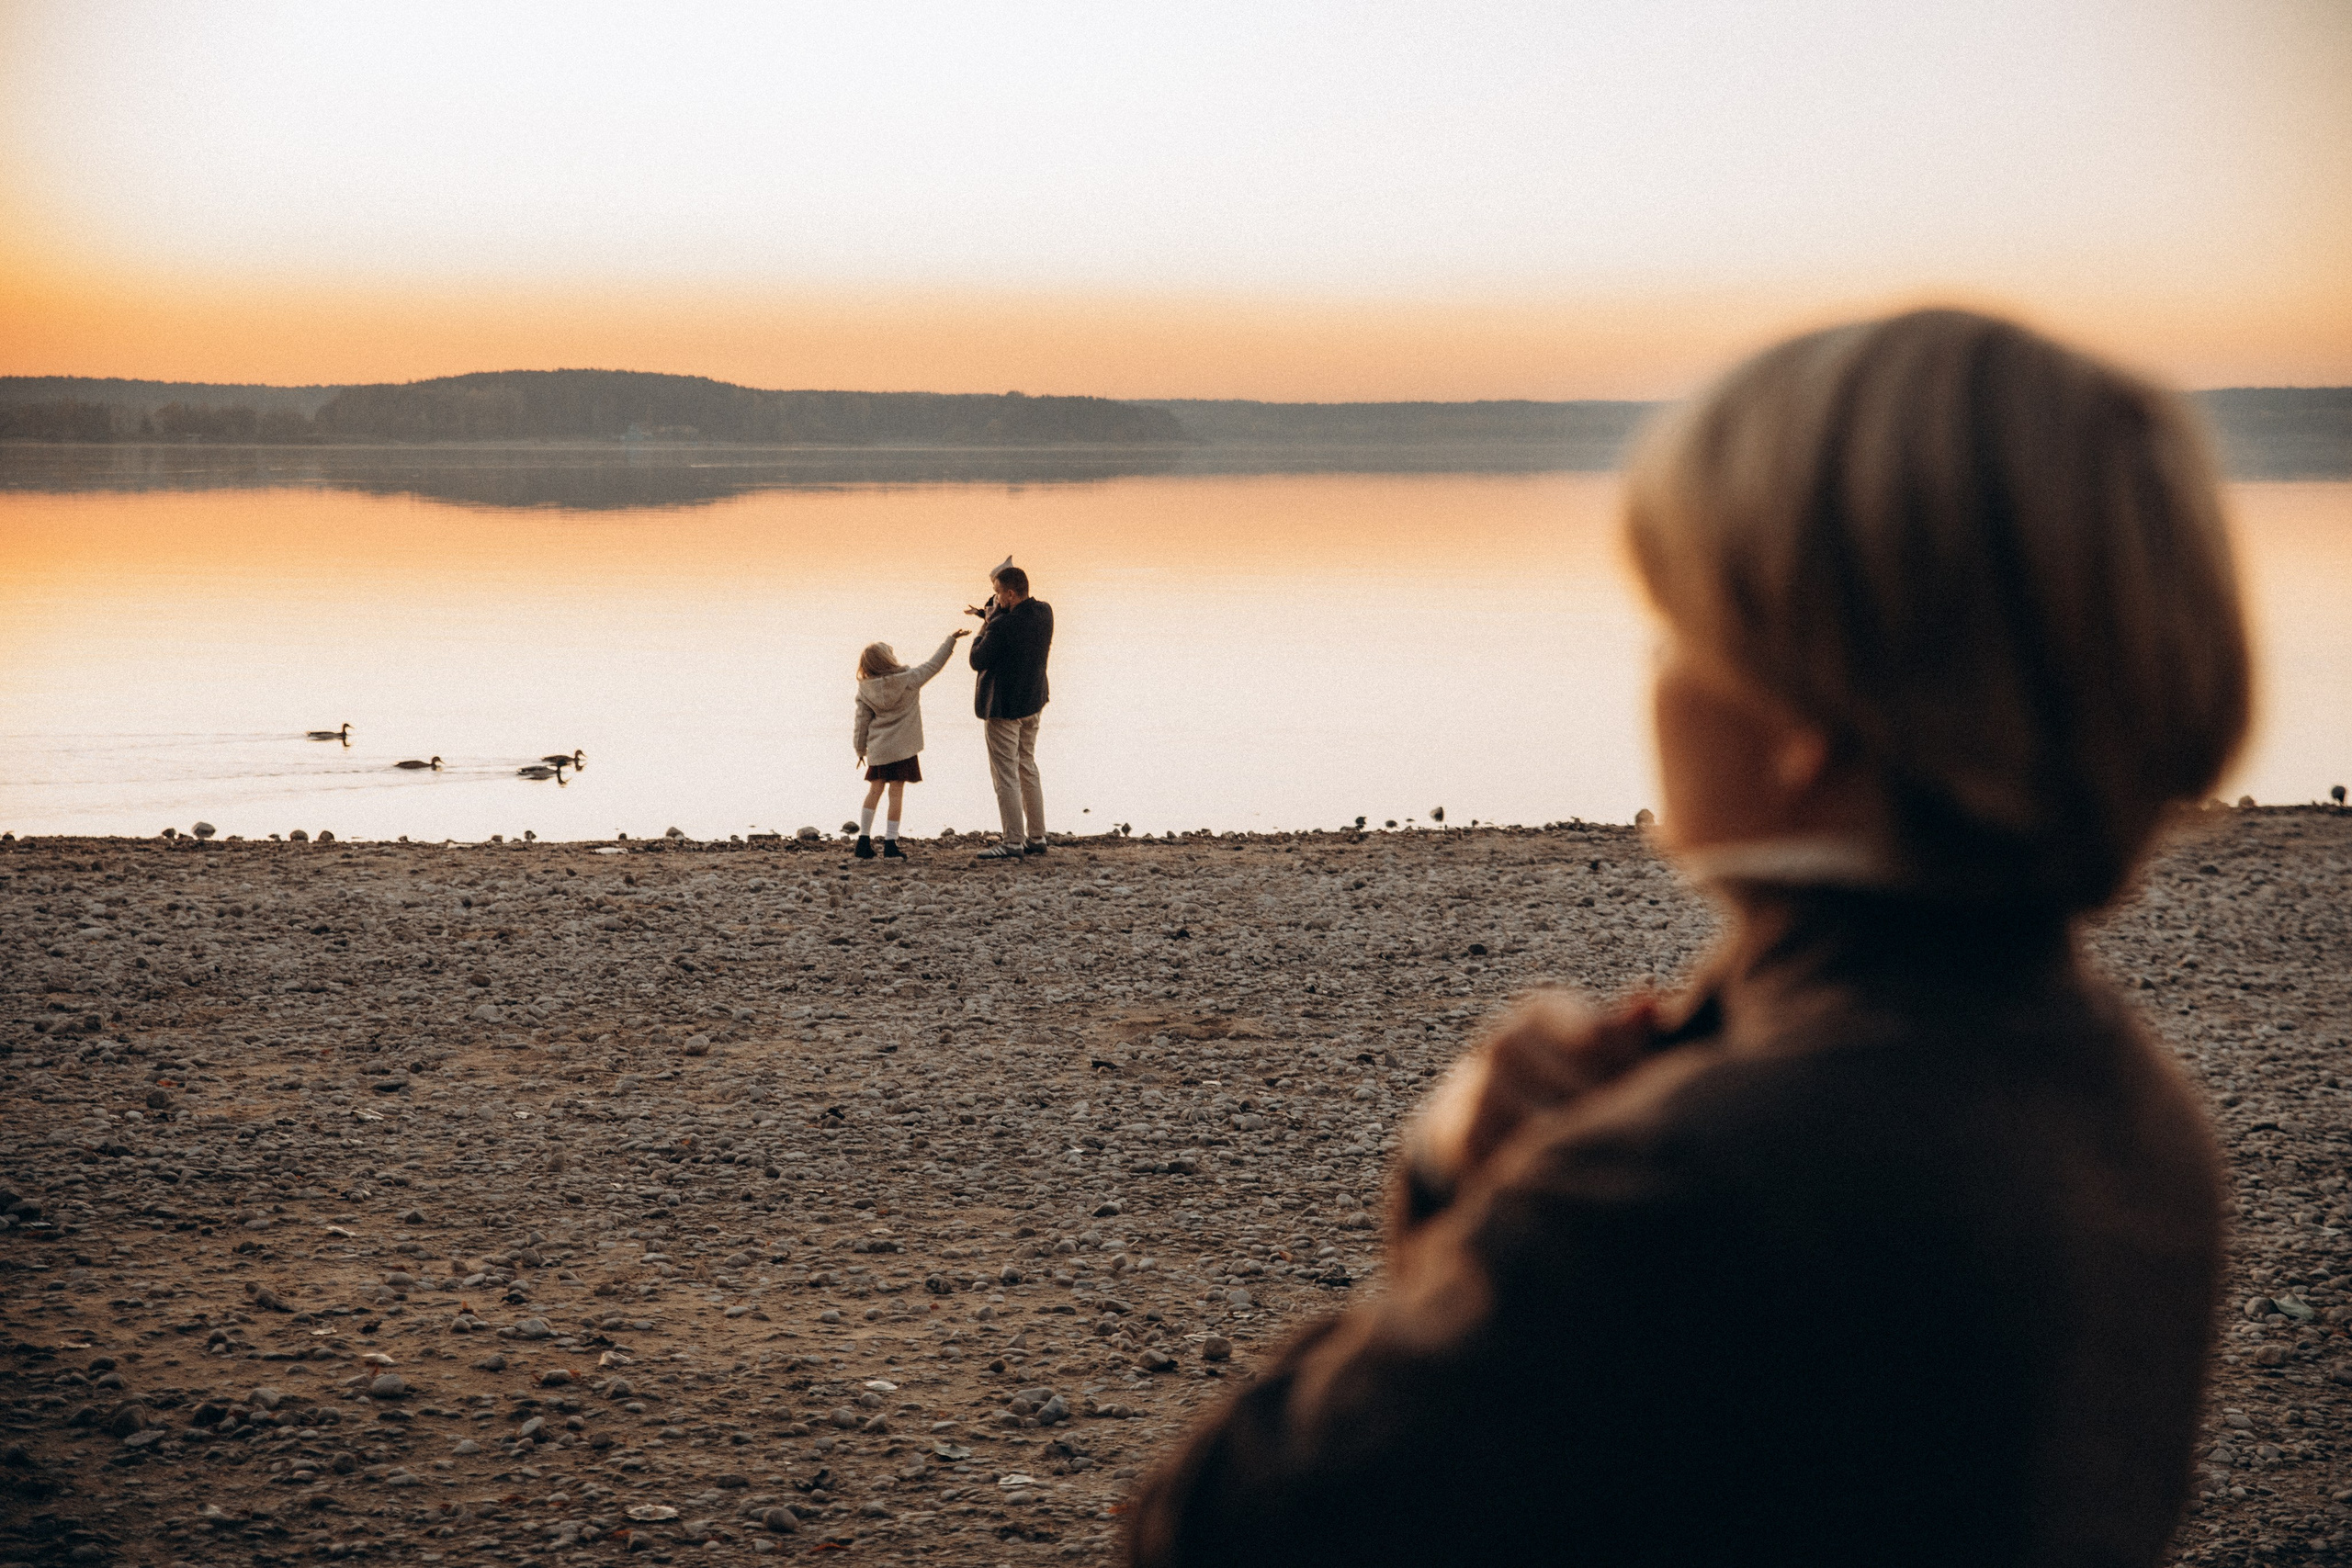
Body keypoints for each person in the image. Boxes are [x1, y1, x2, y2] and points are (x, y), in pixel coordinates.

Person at [1124, 309, 2251, 1568]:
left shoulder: (1683, 1184)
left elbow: (1220, 1521)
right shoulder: (2136, 1112)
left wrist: (1475, 1167)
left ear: (1801, 721)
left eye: (1678, 631)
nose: (1651, 679)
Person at [850, 629, 966, 860]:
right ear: (890, 660)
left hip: (880, 748)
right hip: (903, 748)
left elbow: (861, 723)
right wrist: (951, 640)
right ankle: (890, 844)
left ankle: (863, 841)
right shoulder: (910, 679)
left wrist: (860, 750)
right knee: (896, 793)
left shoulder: (865, 689)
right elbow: (935, 664)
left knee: (874, 790)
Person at [966, 560, 1054, 861]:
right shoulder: (1045, 612)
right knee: (1027, 766)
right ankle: (1037, 836)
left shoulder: (1001, 625)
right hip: (1033, 702)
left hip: (1004, 707)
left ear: (1012, 594)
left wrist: (986, 622)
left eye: (998, 593)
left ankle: (1013, 841)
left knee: (1005, 775)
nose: (996, 599)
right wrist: (991, 614)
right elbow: (1018, 630)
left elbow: (977, 658)